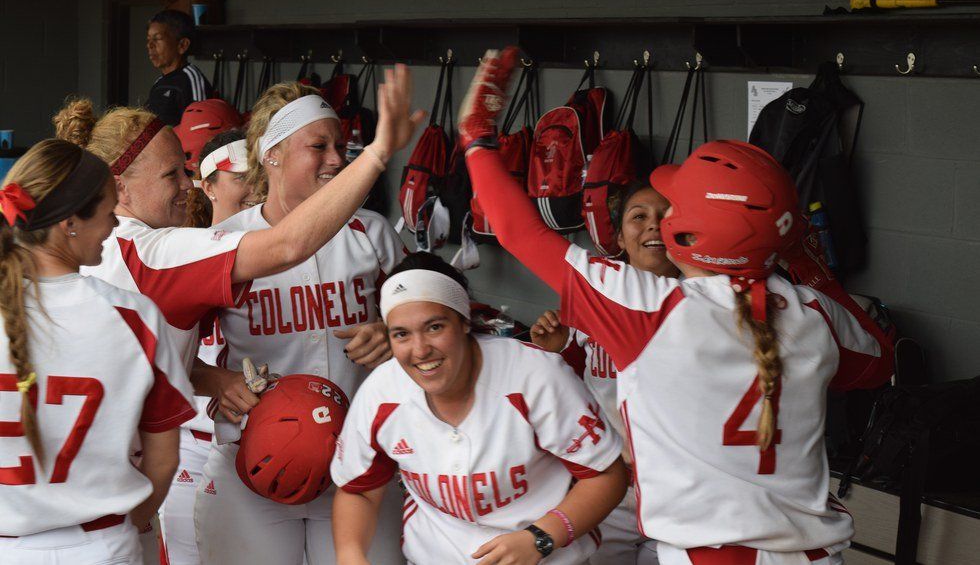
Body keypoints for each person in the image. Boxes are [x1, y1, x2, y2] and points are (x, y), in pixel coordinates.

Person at [459, 48, 894, 565]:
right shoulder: (814, 312)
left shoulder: (651, 306)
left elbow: (517, 230)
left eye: (674, 207)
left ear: (690, 233)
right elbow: (880, 362)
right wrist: (799, 257)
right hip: (817, 556)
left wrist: (479, 143)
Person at [53, 63, 423, 563]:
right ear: (119, 189)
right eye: (174, 173)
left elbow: (158, 360)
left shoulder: (64, 264)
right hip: (117, 498)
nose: (190, 183)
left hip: (56, 497)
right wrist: (379, 153)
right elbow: (289, 243)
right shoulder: (158, 254)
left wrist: (216, 380)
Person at [193, 83, 408, 565]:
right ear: (271, 155)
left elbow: (437, 322)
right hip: (252, 464)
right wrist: (216, 381)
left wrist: (394, 334)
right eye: (319, 146)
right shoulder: (225, 242)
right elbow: (167, 354)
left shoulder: (371, 232)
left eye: (340, 145)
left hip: (360, 466)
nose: (336, 159)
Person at [331, 252, 630, 565]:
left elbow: (607, 476)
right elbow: (359, 489)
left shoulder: (535, 375)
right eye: (402, 334)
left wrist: (541, 537)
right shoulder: (381, 392)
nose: (420, 350)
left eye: (434, 327)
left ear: (463, 322)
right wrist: (351, 555)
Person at [0, 139, 196, 564]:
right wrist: (134, 522)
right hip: (100, 546)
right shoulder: (132, 315)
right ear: (71, 223)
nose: (113, 226)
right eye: (109, 213)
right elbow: (163, 459)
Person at [531, 181, 678, 565]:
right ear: (619, 236)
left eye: (665, 217)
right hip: (610, 483)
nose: (653, 226)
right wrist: (561, 350)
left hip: (679, 486)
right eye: (639, 217)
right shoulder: (597, 295)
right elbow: (579, 391)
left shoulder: (702, 299)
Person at [159, 129, 252, 565]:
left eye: (260, 178)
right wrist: (214, 379)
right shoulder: (178, 253)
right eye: (240, 178)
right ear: (208, 185)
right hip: (188, 443)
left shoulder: (275, 258)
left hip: (255, 442)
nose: (253, 189)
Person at [145, 10, 214, 126]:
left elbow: (200, 127)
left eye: (157, 39)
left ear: (182, 45)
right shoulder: (159, 83)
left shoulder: (191, 79)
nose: (150, 45)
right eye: (148, 40)